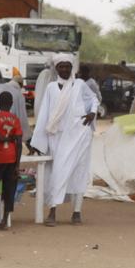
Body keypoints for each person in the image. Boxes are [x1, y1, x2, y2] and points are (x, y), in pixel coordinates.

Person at [31, 54, 99, 226]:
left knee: (79, 173)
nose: (65, 69)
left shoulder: (80, 84)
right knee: (57, 173)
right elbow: (44, 114)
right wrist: (39, 141)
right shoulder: (51, 88)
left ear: (72, 68)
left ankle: (77, 212)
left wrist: (92, 112)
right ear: (56, 68)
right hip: (57, 139)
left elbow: (94, 100)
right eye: (61, 66)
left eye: (68, 66)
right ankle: (52, 211)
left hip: (79, 136)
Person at [0, 92, 22, 229]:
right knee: (9, 190)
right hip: (11, 158)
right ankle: (4, 221)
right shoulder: (16, 119)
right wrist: (17, 165)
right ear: (11, 104)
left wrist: (7, 138)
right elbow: (19, 144)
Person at [0, 73, 32, 146]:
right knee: (5, 149)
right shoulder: (19, 95)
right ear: (20, 85)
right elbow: (22, 118)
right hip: (7, 125)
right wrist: (27, 138)